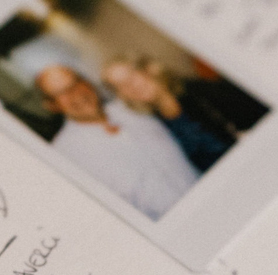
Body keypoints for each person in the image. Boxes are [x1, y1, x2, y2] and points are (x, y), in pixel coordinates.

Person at [33, 63, 200, 219]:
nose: (75, 93)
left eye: (76, 83)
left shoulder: (130, 106)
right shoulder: (63, 154)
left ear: (87, 82)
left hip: (204, 193)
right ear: (52, 105)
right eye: (61, 93)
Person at [100, 58, 232, 173]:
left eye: (131, 76)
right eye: (121, 85)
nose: (130, 86)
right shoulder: (154, 124)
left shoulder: (199, 91)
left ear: (148, 70)